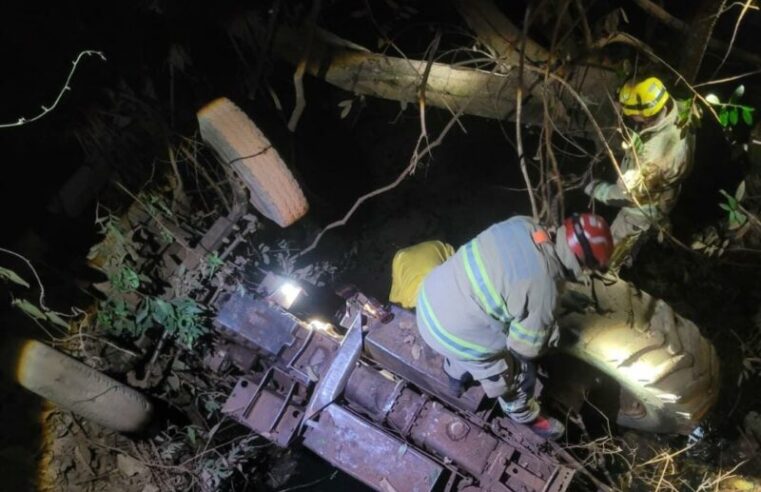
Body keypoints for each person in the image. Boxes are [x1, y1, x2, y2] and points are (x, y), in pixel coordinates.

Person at [414, 213, 613, 440]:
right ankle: (526, 416)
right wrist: (552, 330)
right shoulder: (543, 292)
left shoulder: (524, 224)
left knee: (468, 334)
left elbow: (519, 277)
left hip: (431, 300)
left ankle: (455, 377)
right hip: (456, 334)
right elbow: (524, 348)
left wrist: (559, 298)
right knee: (518, 370)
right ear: (583, 262)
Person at [585, 76, 695, 267]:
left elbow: (624, 195)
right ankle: (633, 249)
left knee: (616, 244)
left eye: (631, 114)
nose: (628, 116)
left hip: (642, 208)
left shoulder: (653, 158)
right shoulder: (678, 106)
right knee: (637, 238)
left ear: (646, 115)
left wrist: (592, 188)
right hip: (666, 192)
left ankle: (606, 272)